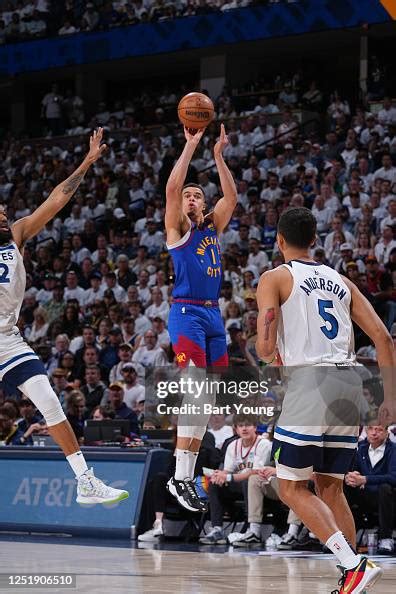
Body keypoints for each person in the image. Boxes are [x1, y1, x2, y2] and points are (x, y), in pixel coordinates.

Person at [256, 207, 395, 593]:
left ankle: (353, 565)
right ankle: (352, 577)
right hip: (351, 382)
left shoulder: (275, 277)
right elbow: (384, 338)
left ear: (279, 241)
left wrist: (269, 347)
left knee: (290, 488)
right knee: (329, 488)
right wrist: (392, 399)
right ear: (315, 240)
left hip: (311, 381)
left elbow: (266, 349)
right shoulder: (341, 281)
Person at [0, 128, 128, 505]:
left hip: (7, 339)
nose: (5, 216)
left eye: (5, 211)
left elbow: (55, 200)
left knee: (49, 399)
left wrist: (86, 163)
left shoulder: (16, 236)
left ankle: (85, 480)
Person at [165, 124, 237, 512]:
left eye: (198, 195)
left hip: (213, 319)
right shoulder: (176, 229)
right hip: (186, 313)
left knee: (206, 401)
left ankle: (185, 476)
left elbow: (232, 196)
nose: (192, 198)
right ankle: (179, 475)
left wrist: (219, 157)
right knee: (194, 390)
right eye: (188, 195)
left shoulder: (213, 228)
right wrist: (191, 144)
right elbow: (172, 190)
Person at [345, 424, 396, 555]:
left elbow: (393, 477)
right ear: (366, 431)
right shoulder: (361, 449)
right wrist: (351, 477)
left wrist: (365, 479)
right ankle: (343, 537)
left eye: (379, 430)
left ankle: (386, 538)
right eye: (371, 429)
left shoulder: (393, 450)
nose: (374, 433)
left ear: (387, 433)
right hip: (364, 495)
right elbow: (353, 470)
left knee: (386, 488)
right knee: (344, 487)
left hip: (386, 497)